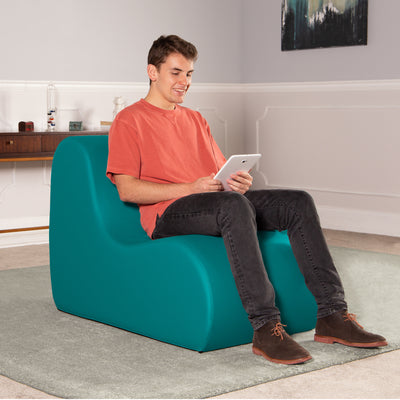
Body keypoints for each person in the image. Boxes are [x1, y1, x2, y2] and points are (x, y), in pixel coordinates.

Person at [106, 35, 387, 365]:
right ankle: (266, 327)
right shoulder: (130, 119)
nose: (185, 82)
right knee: (234, 206)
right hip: (167, 213)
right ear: (152, 72)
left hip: (213, 202)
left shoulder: (195, 118)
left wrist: (236, 181)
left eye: (190, 74)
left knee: (297, 202)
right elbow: (128, 190)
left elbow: (217, 174)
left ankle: (332, 315)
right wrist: (190, 188)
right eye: (176, 72)